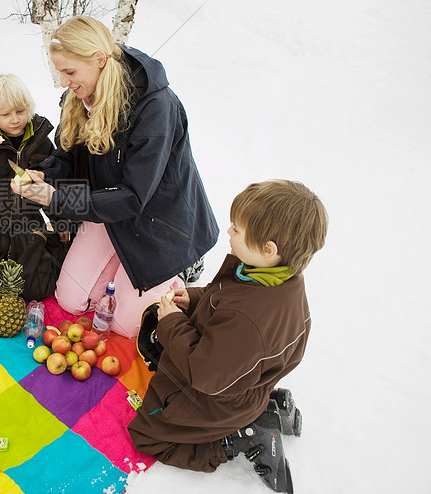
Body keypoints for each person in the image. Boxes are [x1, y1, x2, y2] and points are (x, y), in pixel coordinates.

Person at [12, 15, 218, 337]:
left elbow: (135, 196)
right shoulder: (80, 97)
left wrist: (58, 198)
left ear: (99, 60)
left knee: (125, 325)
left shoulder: (154, 106)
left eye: (70, 72)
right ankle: (120, 272)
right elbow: (70, 156)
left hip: (155, 222)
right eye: (59, 72)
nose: (64, 82)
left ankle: (182, 267)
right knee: (71, 300)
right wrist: (44, 175)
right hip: (107, 212)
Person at [127, 179, 328, 493]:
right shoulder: (276, 275)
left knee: (148, 435)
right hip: (241, 380)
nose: (229, 232)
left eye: (237, 229)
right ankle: (262, 407)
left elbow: (206, 375)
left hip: (217, 394)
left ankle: (237, 438)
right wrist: (194, 298)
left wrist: (171, 325)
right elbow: (226, 296)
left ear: (268, 249)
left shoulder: (249, 319)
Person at [0, 74, 70, 301]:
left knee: (37, 289)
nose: (15, 119)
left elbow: (52, 184)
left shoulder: (42, 141)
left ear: (29, 107)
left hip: (29, 226)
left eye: (20, 111)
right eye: (5, 114)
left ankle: (57, 255)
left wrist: (59, 220)